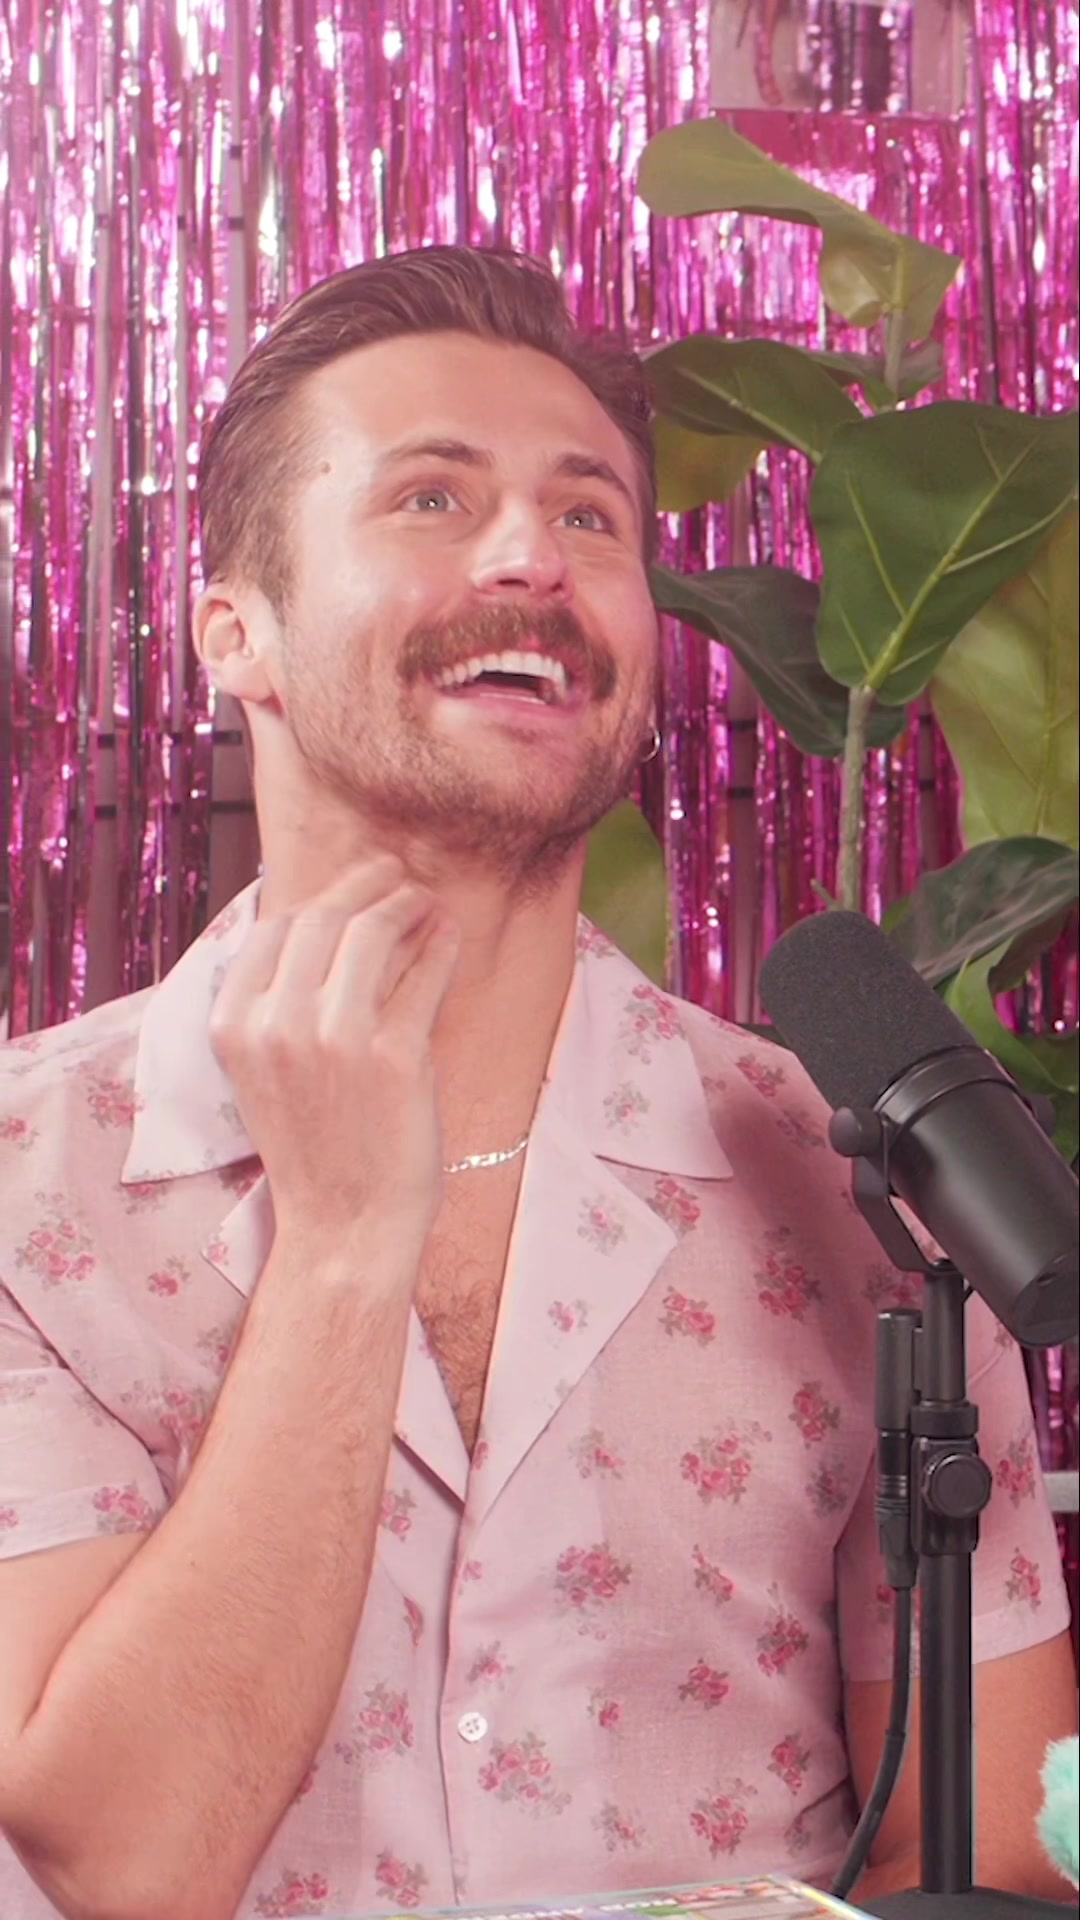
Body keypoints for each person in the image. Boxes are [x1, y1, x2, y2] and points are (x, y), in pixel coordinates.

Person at [0, 247, 1074, 1920]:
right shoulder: (24, 1178)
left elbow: (991, 1856)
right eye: (432, 497)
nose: (532, 556)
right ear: (237, 633)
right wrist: (343, 1244)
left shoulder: (851, 1178)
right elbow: (126, 1864)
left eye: (590, 517)